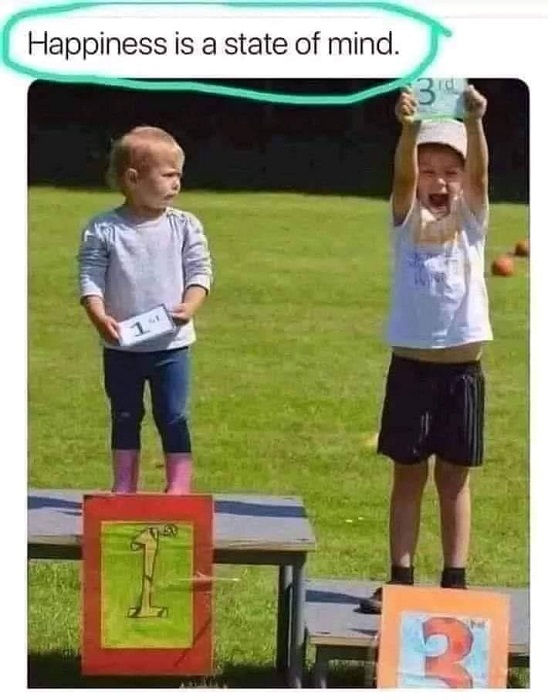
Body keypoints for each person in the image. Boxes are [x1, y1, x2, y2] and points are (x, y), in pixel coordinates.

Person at [360, 84, 492, 613]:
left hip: (462, 370)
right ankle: (401, 578)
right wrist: (410, 129)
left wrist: (475, 123)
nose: (439, 182)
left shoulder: (472, 220)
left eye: (450, 172)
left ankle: (454, 581)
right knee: (408, 476)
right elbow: (401, 178)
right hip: (411, 367)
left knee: (454, 479)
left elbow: (480, 177)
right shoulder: (405, 219)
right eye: (428, 171)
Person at [78, 125, 213, 494]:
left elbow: (200, 271)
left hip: (171, 348)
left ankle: (179, 488)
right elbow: (90, 276)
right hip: (121, 348)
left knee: (173, 415)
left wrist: (191, 304)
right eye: (167, 175)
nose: (176, 183)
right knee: (124, 415)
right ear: (133, 178)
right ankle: (124, 486)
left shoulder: (185, 226)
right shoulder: (103, 229)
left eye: (179, 175)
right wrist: (97, 315)